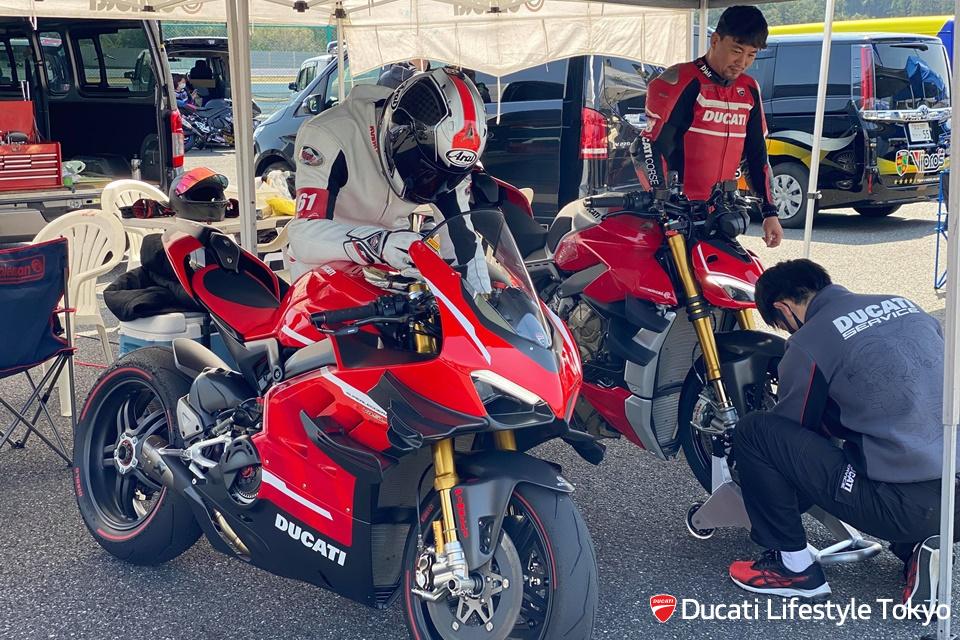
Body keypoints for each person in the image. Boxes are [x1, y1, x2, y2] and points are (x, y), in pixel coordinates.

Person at [727, 258, 957, 607]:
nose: (789, 333)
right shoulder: (905, 305)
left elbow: (791, 431)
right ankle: (921, 548)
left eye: (782, 326)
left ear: (783, 308)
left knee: (757, 432)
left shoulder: (809, 341)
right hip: (953, 498)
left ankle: (794, 569)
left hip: (904, 507)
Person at [287, 66, 490, 292]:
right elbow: (303, 233)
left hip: (392, 265)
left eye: (444, 176)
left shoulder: (451, 157)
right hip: (323, 267)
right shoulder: (329, 134)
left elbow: (461, 238)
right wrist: (378, 243)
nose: (431, 180)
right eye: (424, 168)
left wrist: (484, 298)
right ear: (399, 134)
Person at [631, 5, 784, 249]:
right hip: (678, 215)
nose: (742, 62)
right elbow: (648, 146)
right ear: (715, 40)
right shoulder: (680, 79)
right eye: (736, 51)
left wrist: (770, 212)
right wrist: (664, 202)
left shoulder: (749, 89)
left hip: (723, 214)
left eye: (751, 55)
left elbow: (756, 155)